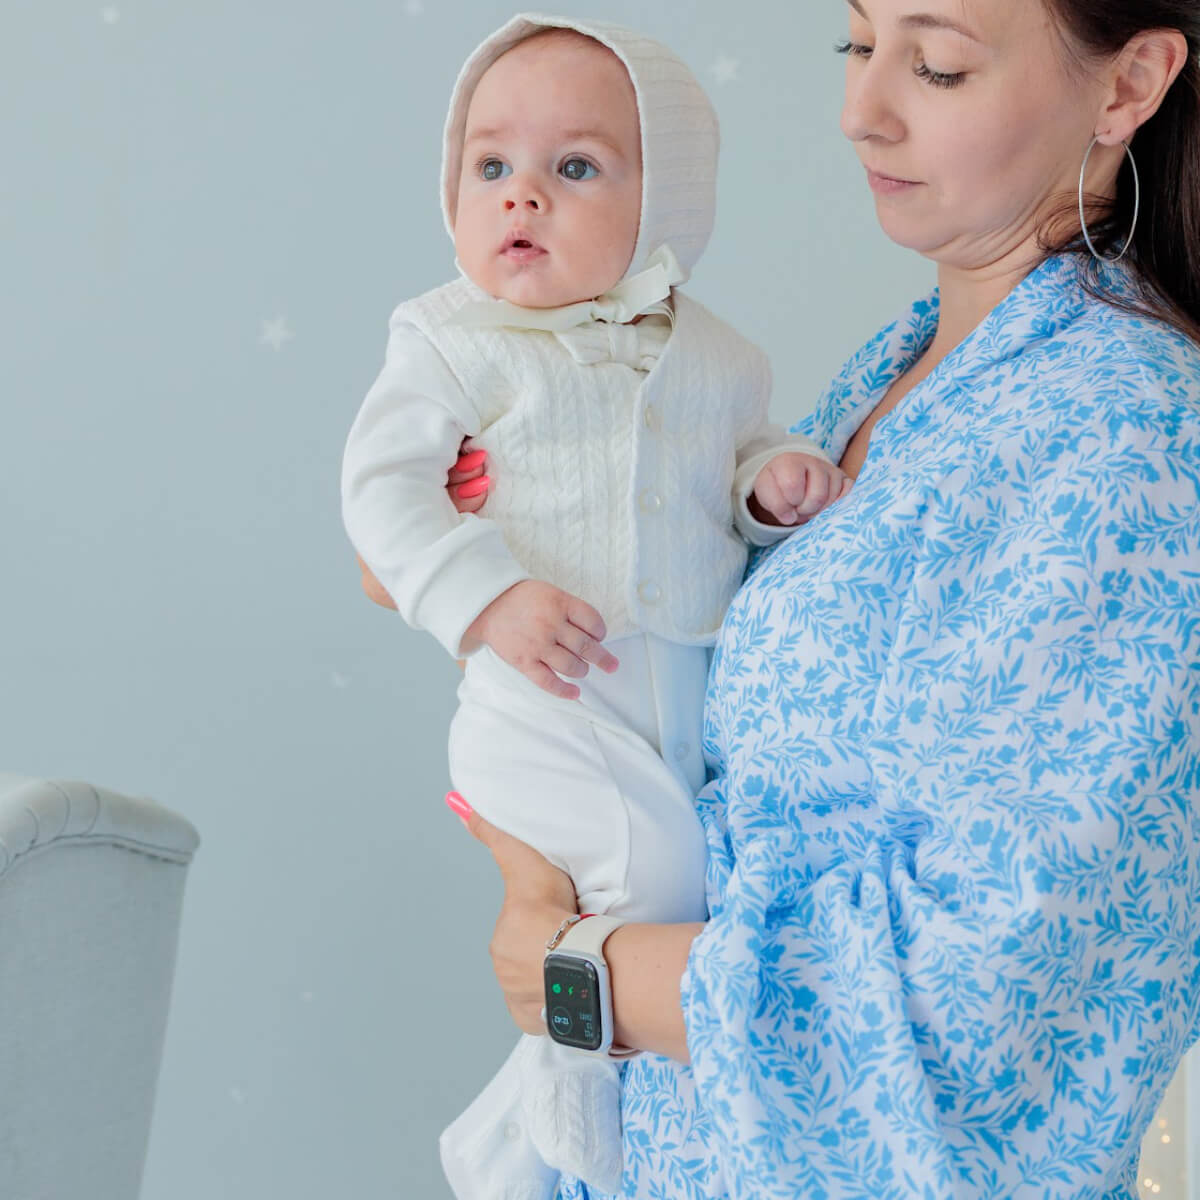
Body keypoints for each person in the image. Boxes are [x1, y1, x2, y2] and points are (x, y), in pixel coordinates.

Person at [363, 0, 1200, 1195]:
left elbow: (996, 988)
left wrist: (578, 972)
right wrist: (473, 559)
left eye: (937, 65)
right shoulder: (899, 375)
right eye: (856, 45)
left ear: (1129, 86)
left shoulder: (1134, 435)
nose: (861, 111)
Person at [340, 14, 849, 1199]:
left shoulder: (718, 355)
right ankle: (562, 1128)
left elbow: (731, 460)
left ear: (665, 202)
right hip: (542, 696)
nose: (521, 195)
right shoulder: (451, 340)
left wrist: (769, 487)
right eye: (490, 165)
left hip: (674, 696)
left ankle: (513, 1130)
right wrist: (488, 596)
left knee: (678, 880)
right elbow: (380, 493)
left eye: (574, 167)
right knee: (653, 887)